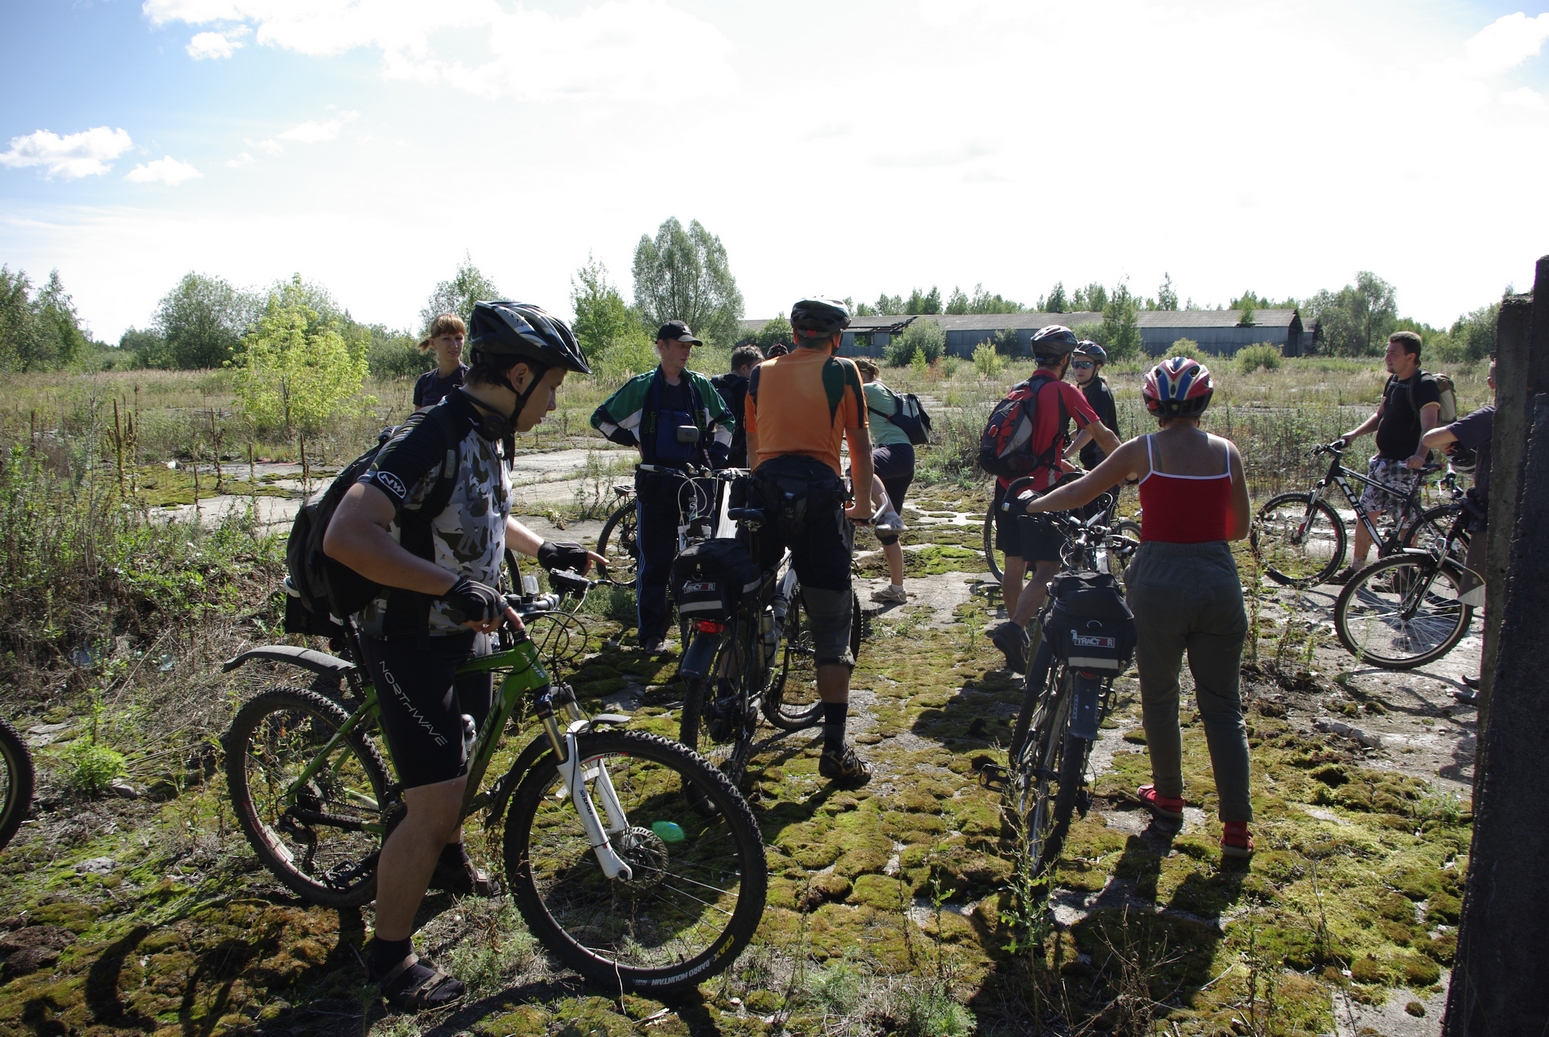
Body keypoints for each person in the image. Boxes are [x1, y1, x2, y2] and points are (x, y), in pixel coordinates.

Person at [323, 301, 601, 1010]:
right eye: (551, 386)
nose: (553, 402)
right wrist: (451, 585)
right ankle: (389, 958)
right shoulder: (430, 433)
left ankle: (445, 859)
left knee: (465, 758)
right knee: (435, 800)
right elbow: (348, 534)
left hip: (466, 624)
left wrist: (544, 548)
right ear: (518, 375)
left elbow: (479, 511)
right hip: (407, 633)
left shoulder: (489, 432)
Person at [1022, 356, 1255, 858]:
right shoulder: (1226, 452)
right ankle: (1236, 827)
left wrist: (1034, 503)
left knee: (1160, 694)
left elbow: (1080, 491)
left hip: (1158, 580)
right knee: (1223, 707)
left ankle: (1168, 796)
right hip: (1218, 580)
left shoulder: (1142, 450)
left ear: (1152, 405)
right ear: (1204, 402)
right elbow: (1239, 528)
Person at [743, 297, 875, 786]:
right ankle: (835, 748)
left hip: (766, 492)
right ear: (836, 338)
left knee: (746, 598)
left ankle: (725, 696)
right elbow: (859, 444)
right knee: (832, 624)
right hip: (819, 501)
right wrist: (862, 506)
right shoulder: (842, 371)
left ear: (795, 333)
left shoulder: (760, 374)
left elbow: (754, 447)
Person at [591, 320, 735, 654]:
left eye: (689, 346)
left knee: (701, 557)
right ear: (662, 346)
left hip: (696, 482)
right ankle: (652, 635)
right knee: (654, 561)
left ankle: (703, 631)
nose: (686, 352)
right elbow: (600, 419)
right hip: (655, 481)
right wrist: (633, 441)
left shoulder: (700, 386)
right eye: (680, 345)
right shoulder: (642, 387)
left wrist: (715, 456)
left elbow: (727, 421)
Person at [988, 326, 1122, 673]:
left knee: (1014, 563)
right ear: (1064, 359)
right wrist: (1130, 468)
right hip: (1040, 491)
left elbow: (1034, 445)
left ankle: (1018, 638)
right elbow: (1101, 434)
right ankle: (1015, 628)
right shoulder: (1064, 391)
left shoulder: (1019, 389)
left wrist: (1062, 463)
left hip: (1007, 487)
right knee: (1048, 566)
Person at [1333, 331, 1442, 582]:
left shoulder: (1424, 384)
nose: (1387, 357)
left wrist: (1420, 455)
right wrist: (1353, 434)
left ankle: (1404, 575)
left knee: (1405, 522)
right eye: (1387, 352)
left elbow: (1429, 425)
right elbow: (1380, 415)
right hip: (1382, 461)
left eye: (1393, 353)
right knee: (1366, 514)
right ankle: (1357, 569)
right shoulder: (1394, 380)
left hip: (1406, 465)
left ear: (1411, 356)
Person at [1421, 356, 1495, 702]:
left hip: (1492, 515)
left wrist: (1458, 435)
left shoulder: (1492, 415)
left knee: (1487, 596)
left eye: (1492, 377)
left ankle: (1493, 682)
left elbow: (1433, 437)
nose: (1490, 383)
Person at [854, 356, 911, 604]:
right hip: (904, 458)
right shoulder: (883, 388)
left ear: (861, 375)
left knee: (858, 468)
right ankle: (897, 589)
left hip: (893, 451)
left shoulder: (866, 389)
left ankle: (887, 513)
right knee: (887, 533)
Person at [712, 344, 764, 468]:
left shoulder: (714, 384)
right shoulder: (749, 389)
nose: (761, 373)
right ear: (744, 369)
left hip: (715, 450)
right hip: (740, 452)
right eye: (757, 368)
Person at [1071, 341, 1119, 471]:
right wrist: (1069, 438)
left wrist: (1065, 455)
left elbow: (1091, 431)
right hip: (1093, 461)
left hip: (1103, 462)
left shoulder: (1099, 392)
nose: (1079, 369)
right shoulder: (1088, 390)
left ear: (1097, 367)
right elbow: (1086, 426)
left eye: (1085, 365)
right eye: (1076, 365)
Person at [413, 313, 468, 411]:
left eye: (458, 338)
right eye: (446, 338)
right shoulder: (424, 382)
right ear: (433, 343)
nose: (454, 345)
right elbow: (418, 418)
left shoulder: (471, 381)